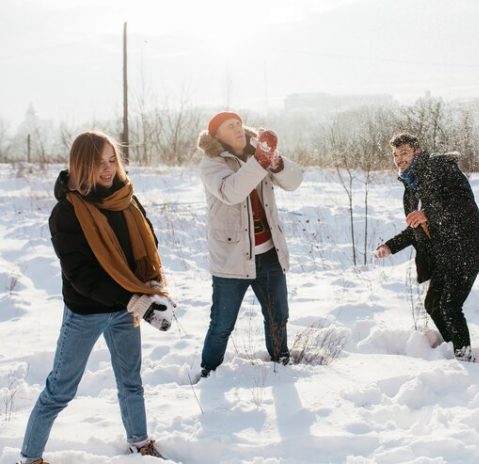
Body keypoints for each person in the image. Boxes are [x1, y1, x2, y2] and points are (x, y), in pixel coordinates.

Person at [18, 131, 175, 464]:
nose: (107, 169)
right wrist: (134, 300)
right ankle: (29, 458)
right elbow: (81, 275)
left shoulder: (126, 199)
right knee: (60, 389)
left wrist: (151, 288)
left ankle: (140, 443)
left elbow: (147, 244)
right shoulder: (68, 213)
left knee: (131, 381)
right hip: (86, 312)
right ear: (80, 165)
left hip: (125, 310)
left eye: (112, 159)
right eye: (98, 162)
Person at [374, 133, 479, 361]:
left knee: (450, 305)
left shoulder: (441, 169)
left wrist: (428, 214)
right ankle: (453, 347)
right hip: (446, 253)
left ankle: (465, 357)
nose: (399, 159)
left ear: (417, 151)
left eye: (404, 152)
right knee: (433, 304)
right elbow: (416, 227)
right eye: (395, 155)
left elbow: (463, 205)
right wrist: (390, 246)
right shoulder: (411, 188)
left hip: (466, 247)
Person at [197, 111, 303, 378]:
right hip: (232, 259)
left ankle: (281, 364)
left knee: (278, 316)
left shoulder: (258, 150)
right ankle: (209, 371)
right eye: (228, 126)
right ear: (216, 135)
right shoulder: (212, 163)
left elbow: (295, 181)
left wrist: (276, 163)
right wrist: (260, 162)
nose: (236, 128)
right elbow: (231, 192)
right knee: (222, 324)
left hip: (268, 253)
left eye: (237, 123)